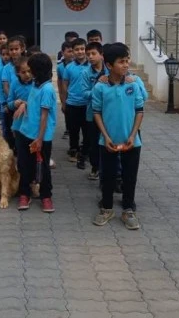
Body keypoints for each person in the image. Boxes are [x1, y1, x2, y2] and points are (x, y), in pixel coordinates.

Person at [92, 43, 145, 230]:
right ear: (109, 64)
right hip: (107, 141)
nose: (126, 65)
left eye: (127, 61)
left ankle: (128, 209)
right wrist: (105, 136)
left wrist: (133, 135)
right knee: (107, 176)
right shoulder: (100, 87)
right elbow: (96, 112)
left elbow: (139, 110)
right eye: (121, 62)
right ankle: (106, 208)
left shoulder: (133, 84)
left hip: (132, 141)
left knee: (130, 177)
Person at [14, 53, 57, 213]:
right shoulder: (35, 85)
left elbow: (44, 116)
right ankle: (24, 193)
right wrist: (24, 105)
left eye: (31, 69)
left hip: (41, 137)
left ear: (38, 70)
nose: (29, 72)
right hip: (25, 132)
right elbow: (33, 104)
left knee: (43, 167)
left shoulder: (47, 89)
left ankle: (46, 196)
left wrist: (39, 139)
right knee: (24, 165)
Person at [79, 42, 109, 177]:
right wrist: (98, 87)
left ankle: (109, 169)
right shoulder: (86, 73)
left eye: (93, 54)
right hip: (92, 113)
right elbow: (85, 93)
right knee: (94, 142)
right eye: (88, 54)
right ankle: (95, 167)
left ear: (101, 55)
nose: (90, 57)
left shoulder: (109, 70)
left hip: (109, 113)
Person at [61, 38, 90, 162]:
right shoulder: (69, 67)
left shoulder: (91, 66)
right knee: (73, 130)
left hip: (87, 104)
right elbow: (65, 84)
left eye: (82, 49)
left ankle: (85, 152)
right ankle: (74, 150)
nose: (80, 52)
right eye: (76, 49)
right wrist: (64, 101)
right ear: (72, 51)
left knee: (87, 130)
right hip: (72, 103)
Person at [6, 57, 33, 169]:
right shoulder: (15, 84)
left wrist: (26, 104)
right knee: (21, 153)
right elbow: (9, 103)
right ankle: (23, 179)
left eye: (29, 71)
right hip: (19, 124)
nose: (27, 74)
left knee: (33, 153)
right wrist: (15, 103)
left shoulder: (37, 84)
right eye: (23, 72)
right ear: (18, 73)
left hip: (33, 123)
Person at [1, 36, 26, 151]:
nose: (14, 52)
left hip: (29, 104)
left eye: (16, 49)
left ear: (22, 48)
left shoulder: (28, 64)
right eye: (11, 49)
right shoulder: (6, 68)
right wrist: (11, 101)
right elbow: (5, 86)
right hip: (14, 104)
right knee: (14, 129)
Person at [56, 41, 74, 140]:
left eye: (72, 51)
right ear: (62, 53)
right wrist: (62, 98)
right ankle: (68, 129)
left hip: (76, 95)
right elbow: (59, 82)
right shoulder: (60, 67)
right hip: (66, 94)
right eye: (69, 51)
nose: (71, 54)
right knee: (66, 112)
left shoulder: (79, 66)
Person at [0, 43, 11, 140]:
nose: (5, 57)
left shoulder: (15, 67)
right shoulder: (0, 69)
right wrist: (3, 103)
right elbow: (0, 88)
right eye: (3, 54)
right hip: (4, 101)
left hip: (14, 100)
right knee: (5, 125)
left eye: (7, 54)